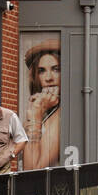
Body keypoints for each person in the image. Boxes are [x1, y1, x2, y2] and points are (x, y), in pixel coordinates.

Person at [19, 39, 61, 170]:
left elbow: (32, 170)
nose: (48, 78)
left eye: (56, 69)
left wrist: (35, 117)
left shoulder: (59, 115)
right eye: (42, 71)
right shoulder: (46, 110)